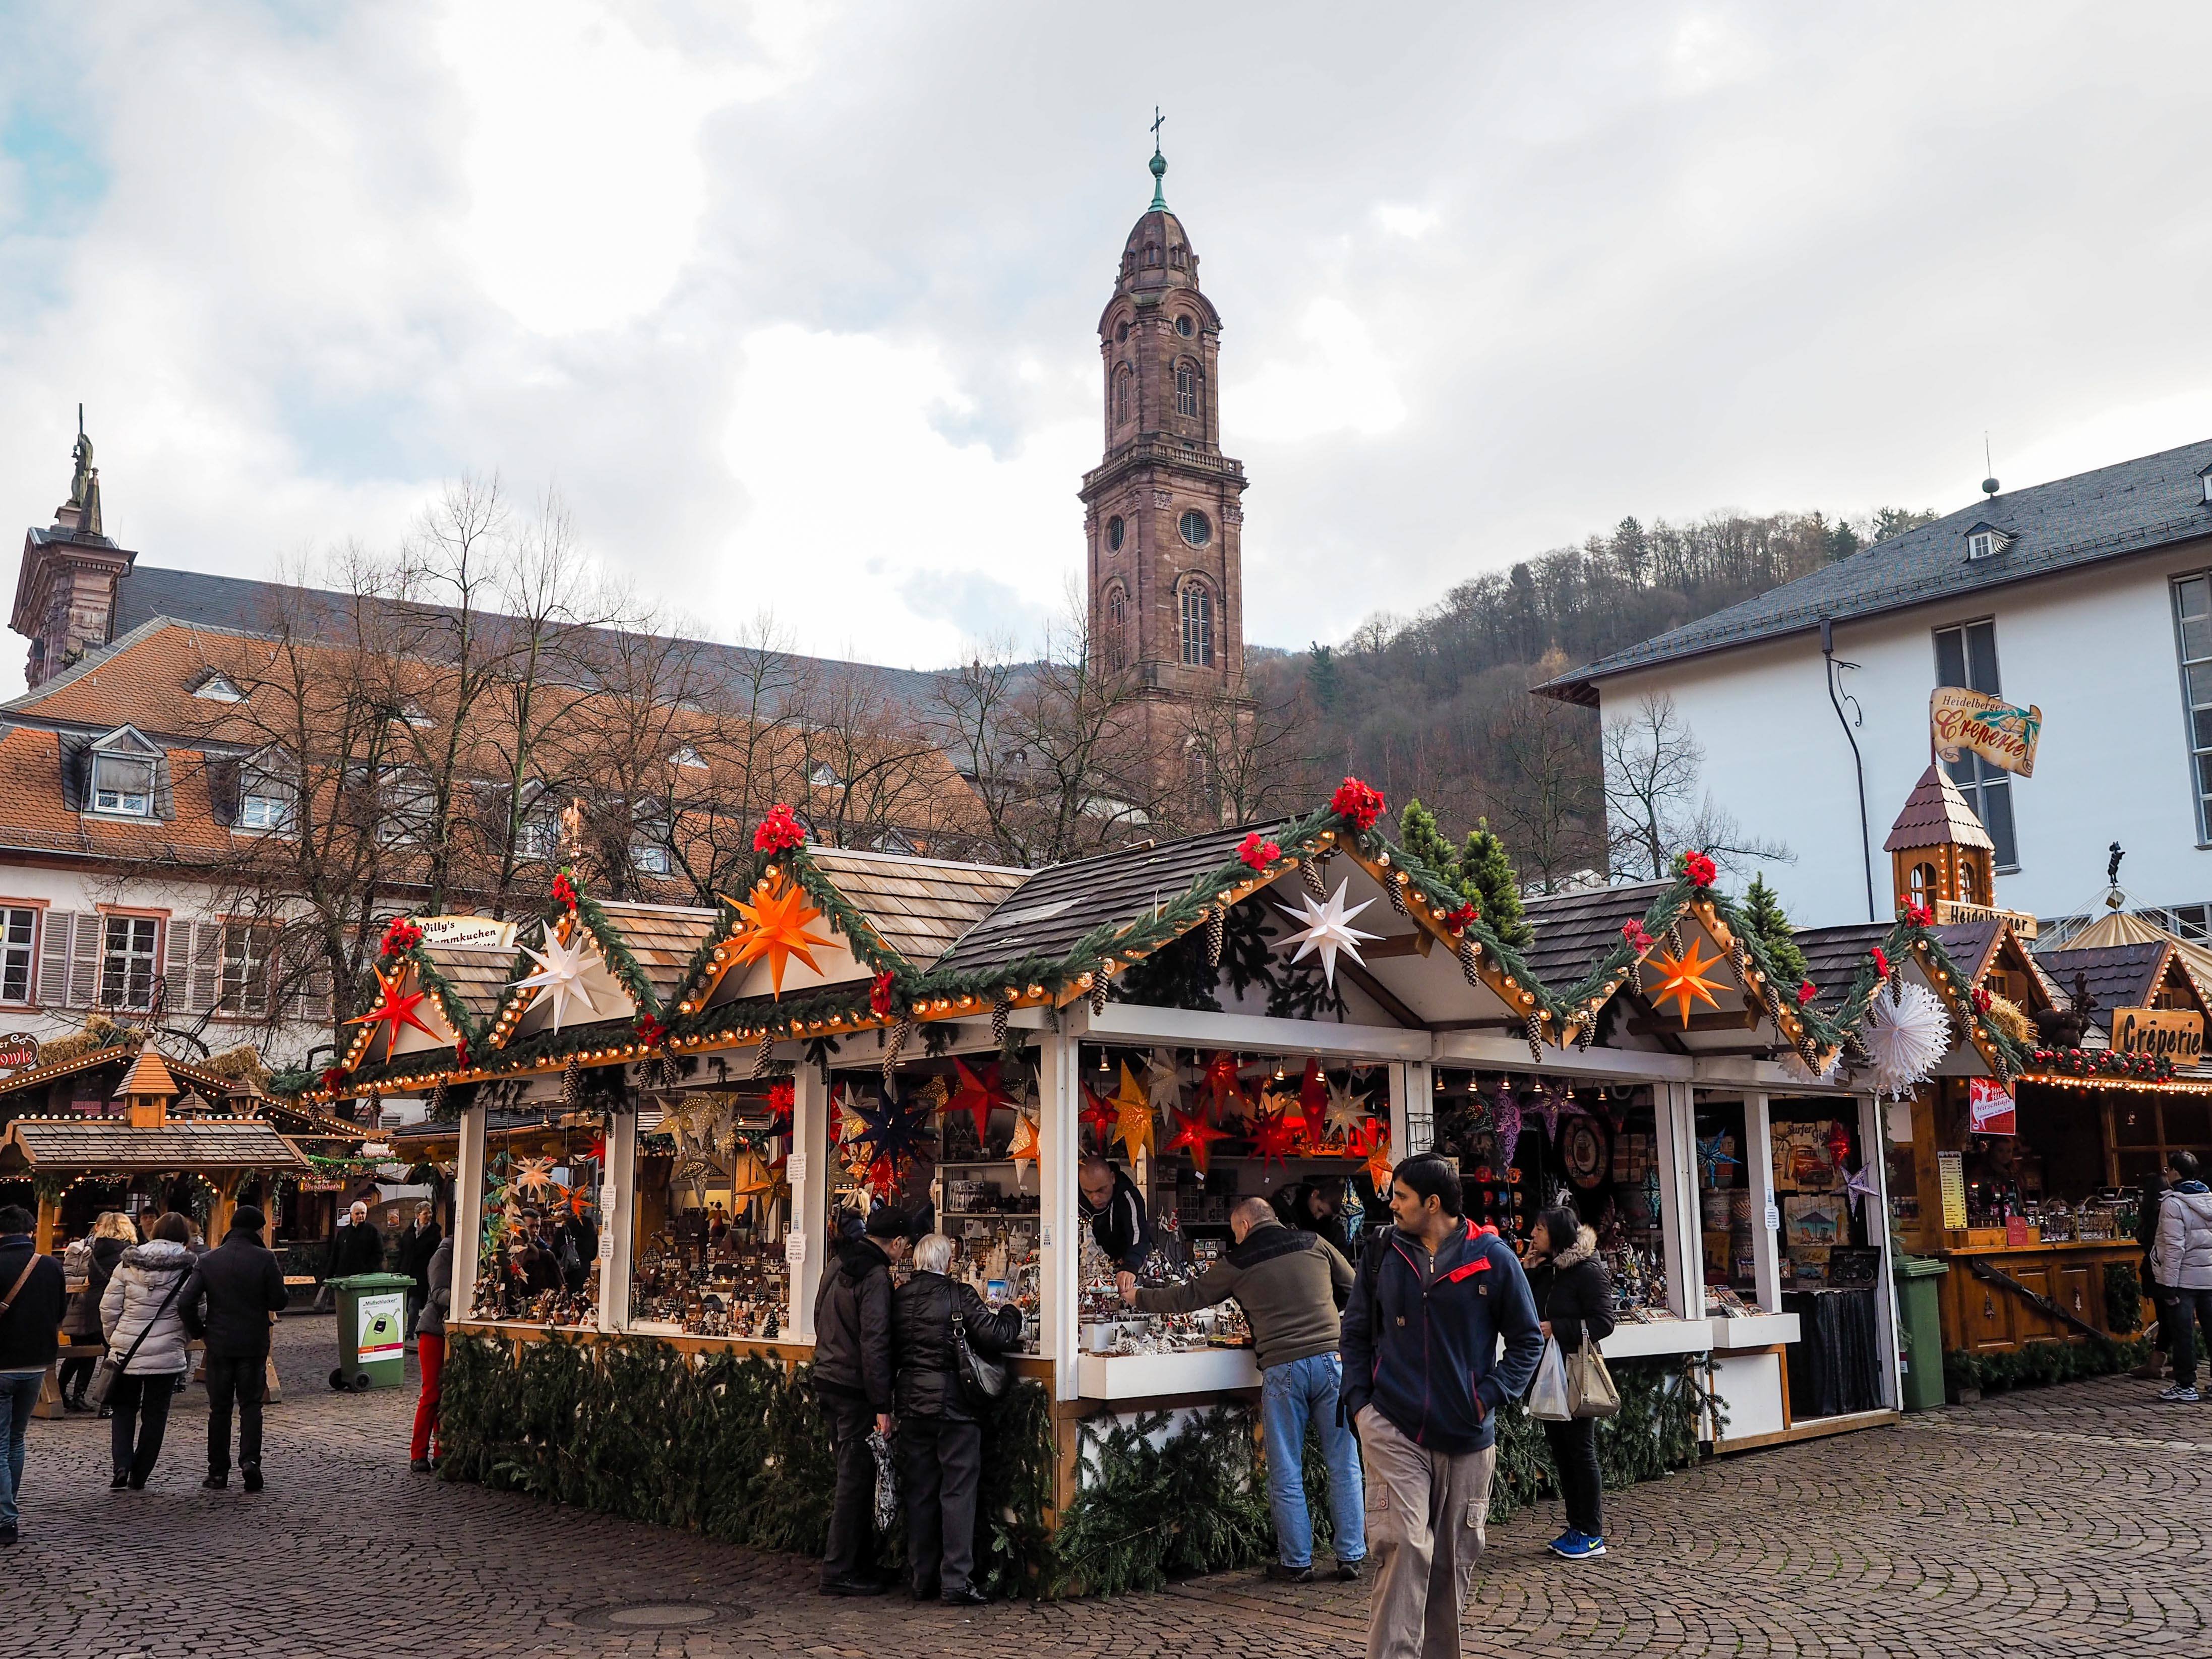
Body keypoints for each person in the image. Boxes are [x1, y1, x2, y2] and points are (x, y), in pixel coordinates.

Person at [1342, 1154, 1543, 1659]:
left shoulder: (1494, 1257)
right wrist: (1359, 1407)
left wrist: (1488, 1395)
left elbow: (1526, 1340)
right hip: (1392, 1424)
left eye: (1401, 1195)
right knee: (1405, 1545)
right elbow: (1356, 1331)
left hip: (1466, 1431)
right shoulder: (1381, 1251)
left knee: (1451, 1562)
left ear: (1432, 1203)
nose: (1391, 1203)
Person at [1126, 1194, 1364, 1582]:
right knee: (1343, 1460)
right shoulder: (1313, 1242)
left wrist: (1139, 1297)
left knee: (1286, 1467)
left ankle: (1297, 1562)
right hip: (1331, 1362)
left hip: (1282, 1368)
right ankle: (1351, 1555)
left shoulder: (1237, 1262)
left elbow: (1188, 1297)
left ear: (1243, 1226)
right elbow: (1355, 1286)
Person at [890, 1233, 1026, 1606]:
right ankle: (955, 1581)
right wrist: (1013, 1310)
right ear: (948, 1263)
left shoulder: (897, 1298)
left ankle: (921, 1578)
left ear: (916, 1262)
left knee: (919, 1493)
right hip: (954, 1408)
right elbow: (998, 1335)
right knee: (957, 1492)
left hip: (910, 1406)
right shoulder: (958, 1294)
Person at [811, 1204, 909, 1596]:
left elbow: (819, 1313)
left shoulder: (838, 1263)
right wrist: (882, 1405)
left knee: (852, 1473)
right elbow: (875, 1342)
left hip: (828, 1377)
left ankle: (859, 1563)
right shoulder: (876, 1276)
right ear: (897, 1243)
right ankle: (839, 1571)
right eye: (905, 1246)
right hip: (854, 1388)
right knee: (855, 1480)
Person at [1524, 1205, 1616, 1561]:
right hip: (1550, 1372)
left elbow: (1604, 1322)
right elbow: (1534, 1309)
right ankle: (1576, 1526)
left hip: (1575, 1372)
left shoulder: (1587, 1270)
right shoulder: (1551, 1269)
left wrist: (1557, 1328)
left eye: (1540, 1229)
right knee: (1561, 1451)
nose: (1533, 1235)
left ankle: (1592, 1532)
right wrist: (1530, 1272)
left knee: (1580, 1450)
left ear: (1558, 1234)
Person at [180, 1204, 287, 1492]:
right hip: (253, 1343)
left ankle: (217, 1472)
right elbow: (279, 1301)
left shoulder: (210, 1259)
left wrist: (200, 1331)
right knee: (251, 1406)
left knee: (220, 1409)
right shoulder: (265, 1259)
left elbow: (186, 1301)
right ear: (257, 1229)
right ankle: (250, 1462)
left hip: (219, 1343)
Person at [98, 1211, 197, 1490]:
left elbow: (109, 1307)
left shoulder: (128, 1263)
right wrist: (182, 1339)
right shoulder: (190, 1267)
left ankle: (121, 1466)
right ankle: (140, 1473)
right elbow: (195, 1308)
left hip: (127, 1350)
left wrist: (114, 1339)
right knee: (156, 1414)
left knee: (123, 1409)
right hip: (167, 1351)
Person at [0, 1203, 68, 1546]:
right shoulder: (51, 1266)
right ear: (29, 1231)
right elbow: (60, 1314)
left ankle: (5, 1516)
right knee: (16, 1439)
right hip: (35, 1364)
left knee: (0, 1442)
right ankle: (8, 1505)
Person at [2151, 1150, 2212, 1403]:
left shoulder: (2173, 1203)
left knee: (2183, 1332)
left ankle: (2186, 1384)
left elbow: (2174, 1247)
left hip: (2184, 1279)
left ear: (2175, 1172)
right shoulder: (2210, 1197)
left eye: (2168, 1169)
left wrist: (2168, 1283)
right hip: (2209, 1276)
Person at [60, 1213, 134, 1412]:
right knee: (109, 1353)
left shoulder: (97, 1250)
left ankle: (80, 1396)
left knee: (93, 1353)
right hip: (116, 1305)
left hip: (94, 1305)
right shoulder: (127, 1253)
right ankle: (107, 1401)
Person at [1078, 1157, 1153, 1296]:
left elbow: (1139, 1235)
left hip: (1126, 1268)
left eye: (1101, 1190)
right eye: (1088, 1192)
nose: (1095, 1198)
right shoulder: (1072, 1197)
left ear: (1112, 1178)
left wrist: (1130, 1266)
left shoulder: (1128, 1196)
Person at [411, 1233, 454, 1472]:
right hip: (434, 1329)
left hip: (452, 1330)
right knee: (431, 1393)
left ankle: (441, 1450)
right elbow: (438, 1292)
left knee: (444, 1394)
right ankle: (418, 1453)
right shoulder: (443, 1254)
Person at [2134, 1168, 2173, 1380]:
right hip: (2166, 1269)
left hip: (2157, 1270)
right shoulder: (2166, 1210)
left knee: (2168, 1318)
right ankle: (2159, 1362)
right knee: (2171, 1318)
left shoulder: (2153, 1213)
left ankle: (2159, 1363)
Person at [397, 1204, 441, 1337]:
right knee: (406, 1305)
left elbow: (436, 1254)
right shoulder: (410, 1230)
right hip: (407, 1272)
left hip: (422, 1273)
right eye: (426, 1213)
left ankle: (410, 1332)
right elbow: (403, 1251)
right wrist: (398, 1270)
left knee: (414, 1304)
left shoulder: (434, 1232)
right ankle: (415, 1324)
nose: (429, 1216)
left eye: (430, 1213)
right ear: (418, 1215)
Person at [327, 1201, 384, 1281]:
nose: (361, 1216)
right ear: (351, 1215)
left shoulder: (373, 1231)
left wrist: (367, 1270)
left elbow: (379, 1254)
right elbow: (335, 1255)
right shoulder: (343, 1232)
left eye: (363, 1213)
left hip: (365, 1278)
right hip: (344, 1277)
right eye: (357, 1214)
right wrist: (329, 1275)